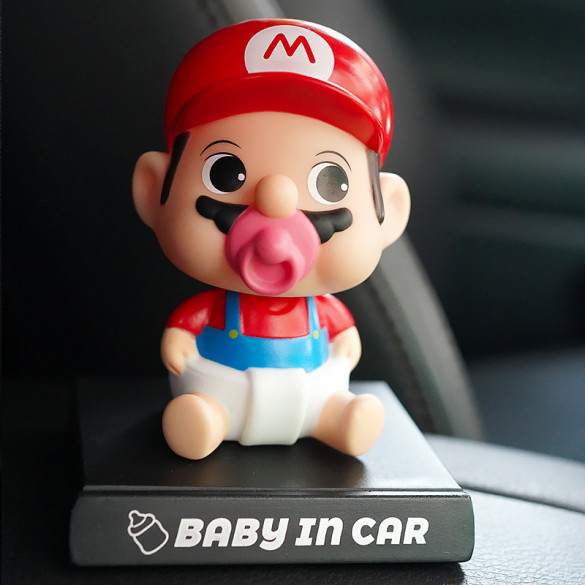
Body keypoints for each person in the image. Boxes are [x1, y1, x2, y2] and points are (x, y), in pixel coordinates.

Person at [132, 18, 410, 460]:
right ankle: (206, 422)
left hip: (312, 388)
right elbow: (190, 322)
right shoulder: (213, 305)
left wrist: (345, 337)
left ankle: (339, 421)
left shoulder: (324, 308)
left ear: (388, 213)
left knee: (329, 405)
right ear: (153, 191)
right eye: (226, 173)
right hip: (227, 385)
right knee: (210, 407)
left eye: (330, 182)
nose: (275, 198)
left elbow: (339, 327)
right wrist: (180, 337)